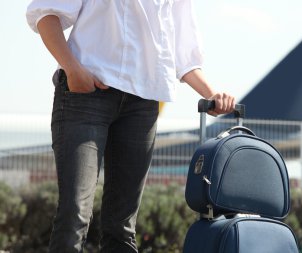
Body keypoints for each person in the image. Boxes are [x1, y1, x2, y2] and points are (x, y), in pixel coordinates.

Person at [26, 0, 235, 252]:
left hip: (142, 104)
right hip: (86, 94)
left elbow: (183, 52)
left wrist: (212, 94)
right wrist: (73, 69)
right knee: (75, 212)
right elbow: (46, 14)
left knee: (122, 225)